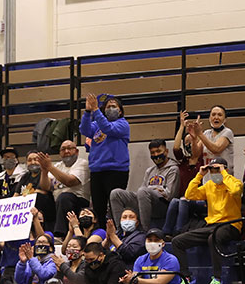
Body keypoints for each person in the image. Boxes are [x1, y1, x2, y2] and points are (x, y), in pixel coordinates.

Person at [172, 157, 243, 284]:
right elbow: (189, 194)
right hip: (211, 225)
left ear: (224, 169)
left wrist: (224, 173)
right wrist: (200, 175)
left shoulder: (234, 182)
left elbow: (235, 191)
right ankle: (186, 278)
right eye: (212, 169)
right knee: (177, 241)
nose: (214, 172)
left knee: (214, 237)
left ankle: (218, 280)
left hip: (231, 225)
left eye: (217, 169)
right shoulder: (210, 185)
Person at [80, 93, 130, 226]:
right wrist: (87, 111)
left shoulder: (123, 124)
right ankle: (101, 234)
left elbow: (108, 128)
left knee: (116, 207)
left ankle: (118, 233)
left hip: (116, 171)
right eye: (108, 106)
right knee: (98, 208)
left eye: (114, 106)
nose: (110, 109)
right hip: (97, 170)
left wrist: (96, 110)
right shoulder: (96, 124)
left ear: (120, 111)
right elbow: (84, 129)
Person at [108, 139, 178, 232]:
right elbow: (142, 192)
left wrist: (151, 190)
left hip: (163, 206)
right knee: (116, 193)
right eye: (153, 152)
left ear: (166, 151)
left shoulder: (173, 169)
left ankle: (144, 230)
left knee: (143, 191)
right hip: (147, 202)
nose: (156, 155)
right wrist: (156, 189)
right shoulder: (150, 170)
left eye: (158, 151)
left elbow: (169, 194)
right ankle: (120, 231)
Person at [164, 111, 208, 236]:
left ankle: (179, 232)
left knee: (183, 201)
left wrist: (196, 136)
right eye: (187, 143)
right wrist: (182, 126)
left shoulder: (202, 162)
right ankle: (166, 232)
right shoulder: (183, 161)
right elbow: (176, 148)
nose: (189, 145)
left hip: (201, 200)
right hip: (185, 199)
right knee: (175, 201)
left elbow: (196, 152)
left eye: (192, 142)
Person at [46, 140, 91, 237]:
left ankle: (60, 234)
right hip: (58, 202)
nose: (66, 151)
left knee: (64, 197)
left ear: (77, 151)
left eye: (70, 148)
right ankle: (43, 235)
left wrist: (49, 167)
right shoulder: (58, 166)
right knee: (41, 197)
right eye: (63, 149)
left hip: (78, 202)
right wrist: (43, 170)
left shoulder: (82, 163)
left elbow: (70, 182)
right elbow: (46, 186)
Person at [188, 105, 235, 170]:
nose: (216, 117)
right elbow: (196, 154)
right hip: (208, 177)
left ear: (225, 119)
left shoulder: (227, 132)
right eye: (213, 115)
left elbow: (216, 149)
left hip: (224, 177)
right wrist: (194, 139)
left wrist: (200, 134)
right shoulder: (206, 133)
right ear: (209, 118)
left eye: (219, 115)